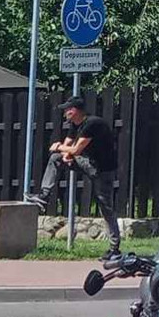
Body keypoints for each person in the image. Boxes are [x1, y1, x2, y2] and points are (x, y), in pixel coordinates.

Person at [25, 96, 120, 261]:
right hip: (88, 163)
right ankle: (43, 196)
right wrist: (65, 154)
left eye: (67, 110)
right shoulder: (74, 125)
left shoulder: (92, 124)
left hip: (102, 170)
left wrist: (61, 148)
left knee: (106, 207)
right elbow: (69, 148)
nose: (65, 113)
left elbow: (75, 149)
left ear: (75, 110)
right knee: (56, 158)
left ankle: (114, 248)